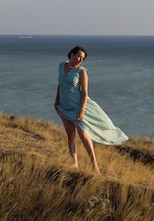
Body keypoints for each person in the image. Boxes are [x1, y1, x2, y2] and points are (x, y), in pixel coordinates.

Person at [54, 45, 128, 174]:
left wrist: (81, 111)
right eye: (78, 56)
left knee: (83, 134)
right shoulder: (61, 66)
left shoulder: (81, 72)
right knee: (70, 134)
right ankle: (75, 162)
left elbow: (85, 93)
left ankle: (95, 166)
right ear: (71, 54)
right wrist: (56, 100)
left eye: (82, 59)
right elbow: (61, 84)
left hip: (77, 107)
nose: (79, 60)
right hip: (63, 106)